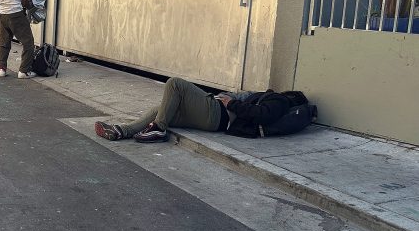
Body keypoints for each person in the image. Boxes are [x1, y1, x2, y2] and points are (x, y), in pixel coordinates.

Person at [94, 77, 307, 143]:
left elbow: (263, 115)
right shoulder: (273, 100)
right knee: (160, 109)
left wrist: (229, 102)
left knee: (175, 84)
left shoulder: (279, 101)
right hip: (215, 118)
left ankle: (159, 128)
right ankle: (122, 131)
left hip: (218, 113)